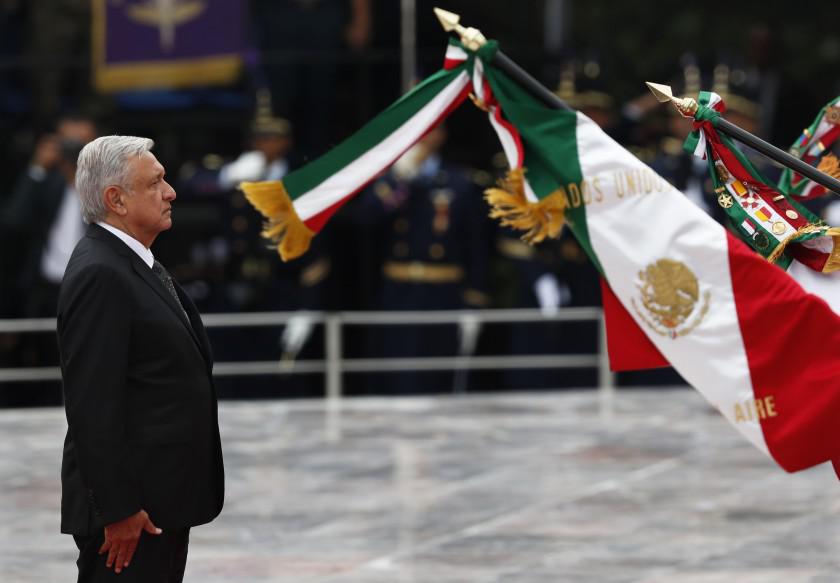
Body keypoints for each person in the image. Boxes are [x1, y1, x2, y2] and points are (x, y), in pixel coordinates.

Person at [57, 136, 224, 581]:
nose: (170, 192)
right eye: (154, 183)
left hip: (161, 502)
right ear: (117, 200)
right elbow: (92, 403)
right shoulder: (101, 272)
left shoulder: (134, 260)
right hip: (131, 515)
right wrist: (119, 508)